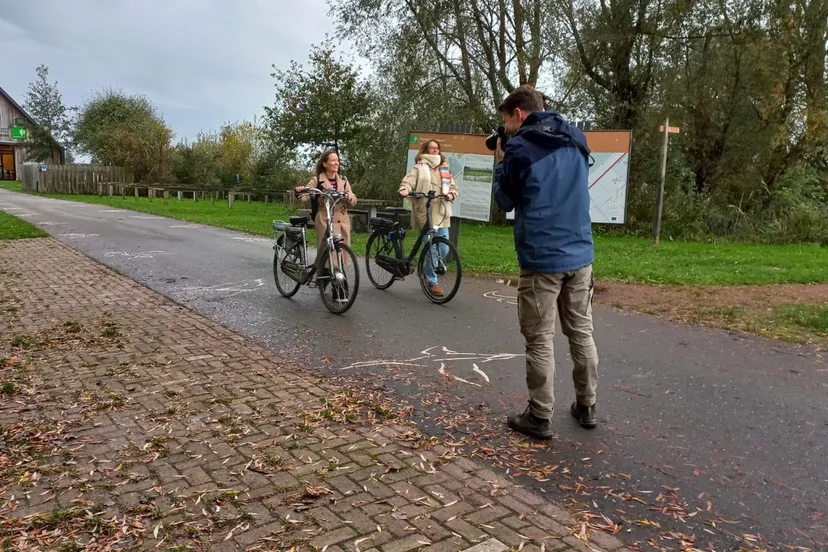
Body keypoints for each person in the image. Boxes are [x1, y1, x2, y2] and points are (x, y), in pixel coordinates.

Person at [492, 84, 600, 438]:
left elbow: (505, 201)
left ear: (519, 114)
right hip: (580, 252)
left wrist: (501, 162)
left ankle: (539, 416)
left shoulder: (520, 147)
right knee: (581, 331)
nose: (506, 128)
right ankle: (587, 405)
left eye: (506, 120)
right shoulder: (575, 138)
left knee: (539, 339)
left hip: (542, 258)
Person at [398, 139, 459, 296]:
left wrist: (452, 193)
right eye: (431, 148)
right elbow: (408, 182)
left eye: (437, 148)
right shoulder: (419, 167)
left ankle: (425, 269)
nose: (434, 151)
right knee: (431, 249)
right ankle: (432, 282)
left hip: (441, 213)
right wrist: (405, 190)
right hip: (426, 213)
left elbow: (453, 186)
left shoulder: (444, 169)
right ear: (425, 150)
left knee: (444, 249)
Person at [295, 150, 357, 302]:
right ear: (324, 163)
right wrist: (300, 191)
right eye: (333, 160)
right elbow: (304, 196)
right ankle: (339, 290)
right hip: (325, 218)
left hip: (342, 220)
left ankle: (323, 279)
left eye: (338, 161)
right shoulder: (317, 180)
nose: (336, 163)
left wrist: (350, 197)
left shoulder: (343, 180)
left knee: (339, 254)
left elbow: (353, 198)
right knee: (331, 255)